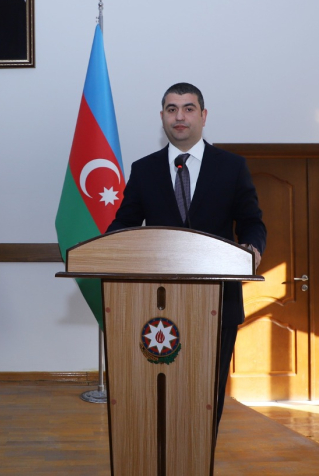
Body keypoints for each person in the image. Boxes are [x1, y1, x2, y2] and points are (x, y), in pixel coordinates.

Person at [106, 82, 266, 427]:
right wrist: (107, 248)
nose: (180, 116)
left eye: (188, 108)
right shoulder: (144, 169)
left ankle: (202, 450)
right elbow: (123, 225)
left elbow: (252, 222)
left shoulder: (232, 167)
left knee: (206, 395)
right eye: (172, 109)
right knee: (159, 395)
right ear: (162, 116)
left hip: (218, 303)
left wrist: (252, 249)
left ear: (203, 116)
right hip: (155, 306)